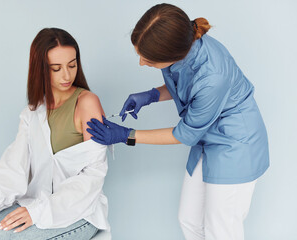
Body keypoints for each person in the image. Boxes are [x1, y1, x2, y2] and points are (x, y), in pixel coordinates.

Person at [86, 3, 269, 240]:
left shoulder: (213, 75)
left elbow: (183, 134)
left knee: (221, 231)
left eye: (148, 60)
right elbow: (186, 85)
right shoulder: (183, 47)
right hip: (207, 140)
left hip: (236, 145)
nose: (141, 63)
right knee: (189, 220)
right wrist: (151, 96)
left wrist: (127, 135)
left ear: (172, 55)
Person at [0, 28, 109, 240]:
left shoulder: (87, 103)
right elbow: (12, 168)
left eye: (72, 65)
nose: (67, 75)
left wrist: (38, 211)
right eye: (56, 68)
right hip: (34, 205)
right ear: (40, 69)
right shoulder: (32, 113)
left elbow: (93, 175)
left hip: (79, 214)